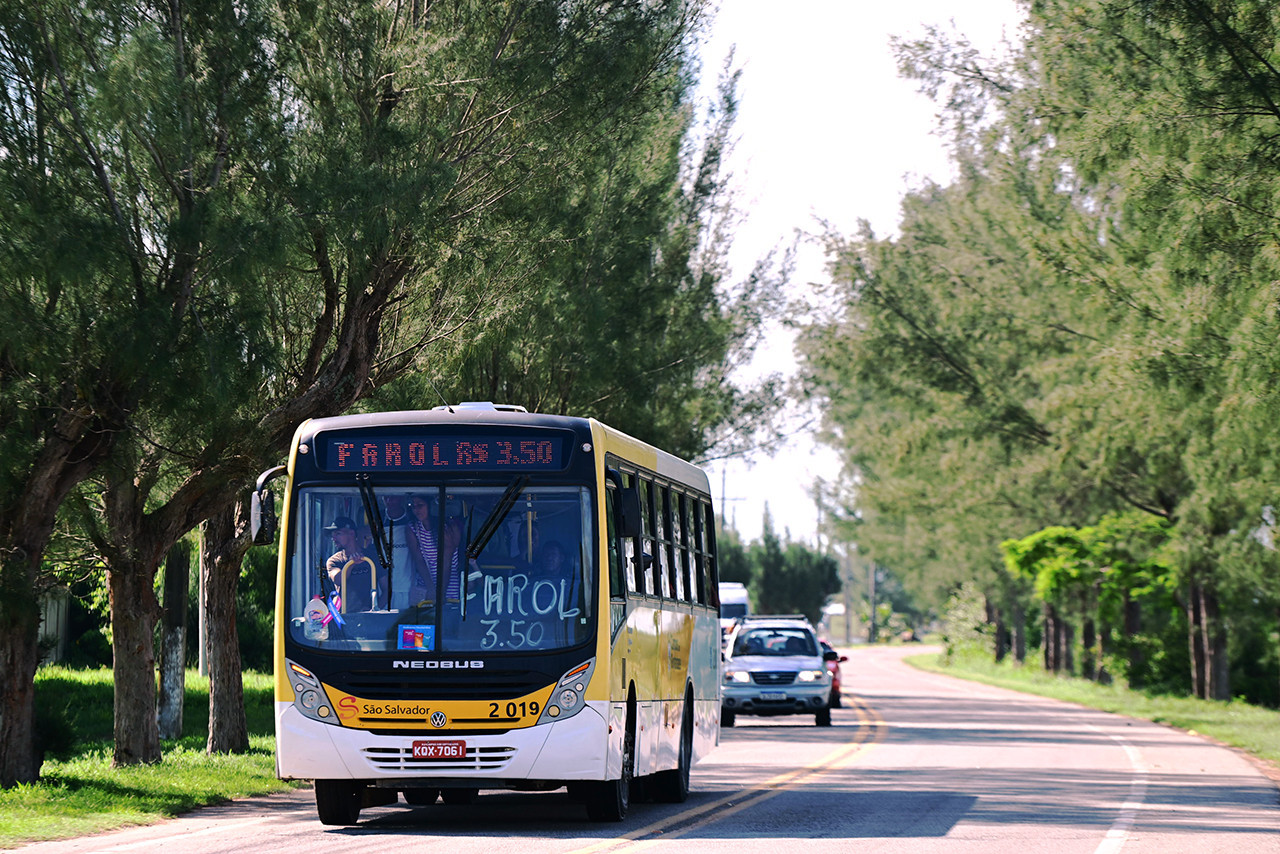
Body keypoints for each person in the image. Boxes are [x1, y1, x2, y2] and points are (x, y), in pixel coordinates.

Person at [406, 496, 463, 603]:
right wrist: (431, 588)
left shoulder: (449, 526)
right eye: (413, 506)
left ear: (432, 506)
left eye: (420, 505)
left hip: (450, 584)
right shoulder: (412, 527)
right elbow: (418, 560)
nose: (416, 510)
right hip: (426, 584)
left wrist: (441, 592)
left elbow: (447, 561)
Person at [325, 516, 379, 611]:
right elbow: (338, 580)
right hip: (344, 616)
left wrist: (374, 609)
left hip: (368, 617)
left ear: (352, 533)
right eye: (332, 535)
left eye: (338, 533)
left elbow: (386, 588)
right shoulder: (334, 560)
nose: (334, 538)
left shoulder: (372, 557)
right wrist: (351, 564)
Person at [381, 494, 414, 609]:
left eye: (394, 496)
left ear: (402, 497)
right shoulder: (376, 517)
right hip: (382, 588)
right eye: (386, 497)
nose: (389, 500)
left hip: (407, 587)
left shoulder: (413, 518)